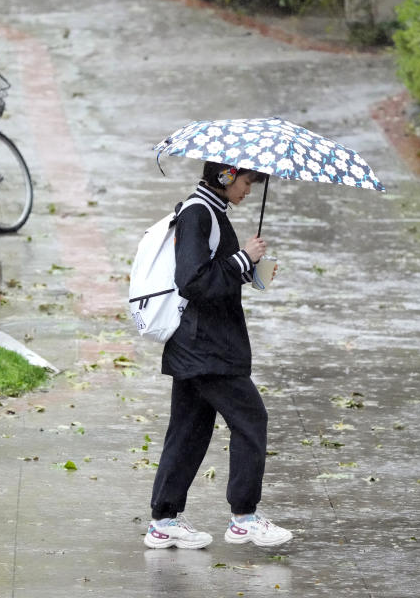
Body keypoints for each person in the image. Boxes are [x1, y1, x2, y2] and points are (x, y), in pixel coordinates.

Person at [143, 161, 293, 550]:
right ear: (225, 177)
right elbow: (191, 281)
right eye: (246, 181)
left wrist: (249, 270)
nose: (248, 190)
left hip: (200, 344)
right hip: (205, 347)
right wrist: (242, 258)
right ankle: (244, 518)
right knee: (251, 418)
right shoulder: (199, 213)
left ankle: (163, 522)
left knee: (189, 431)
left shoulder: (212, 212)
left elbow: (213, 275)